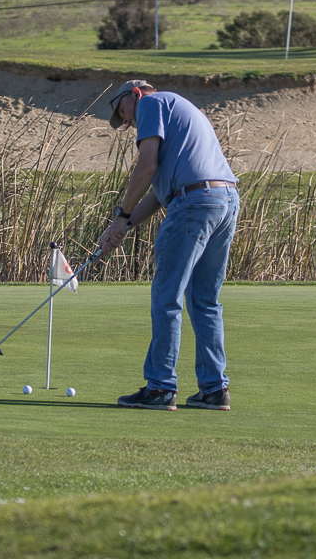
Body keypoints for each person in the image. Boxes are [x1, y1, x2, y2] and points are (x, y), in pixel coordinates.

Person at [99, 80, 240, 411]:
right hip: (225, 198)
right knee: (204, 299)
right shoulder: (178, 111)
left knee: (167, 296)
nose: (131, 123)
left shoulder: (150, 104)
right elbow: (159, 196)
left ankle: (161, 387)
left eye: (125, 113)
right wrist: (122, 227)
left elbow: (145, 167)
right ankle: (214, 389)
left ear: (135, 95)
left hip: (195, 201)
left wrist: (120, 215)